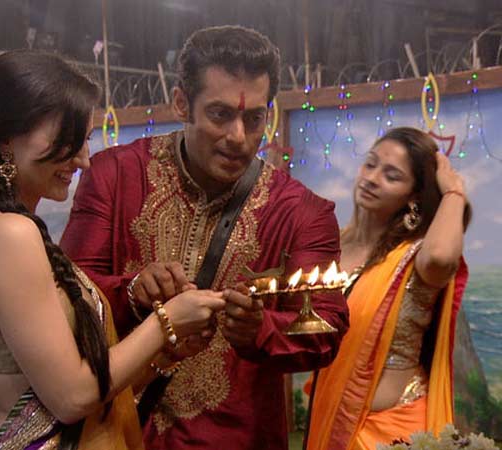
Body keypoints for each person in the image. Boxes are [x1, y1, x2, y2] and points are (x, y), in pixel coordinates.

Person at [61, 25, 349, 449]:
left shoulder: (302, 212)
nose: (238, 137)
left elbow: (326, 328)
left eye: (254, 119)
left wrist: (261, 329)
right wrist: (133, 292)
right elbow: (67, 295)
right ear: (182, 103)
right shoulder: (115, 175)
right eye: (219, 115)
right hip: (118, 435)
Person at [0, 49, 225, 450]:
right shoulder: (7, 234)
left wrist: (163, 354)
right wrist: (165, 321)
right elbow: (72, 398)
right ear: (6, 135)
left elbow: (77, 393)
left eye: (84, 141)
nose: (83, 160)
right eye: (67, 141)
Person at [306, 127, 471, 450]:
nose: (372, 178)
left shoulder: (414, 257)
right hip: (331, 416)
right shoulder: (332, 246)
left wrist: (454, 192)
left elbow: (441, 257)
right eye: (370, 164)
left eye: (391, 176)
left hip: (394, 432)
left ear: (413, 196)